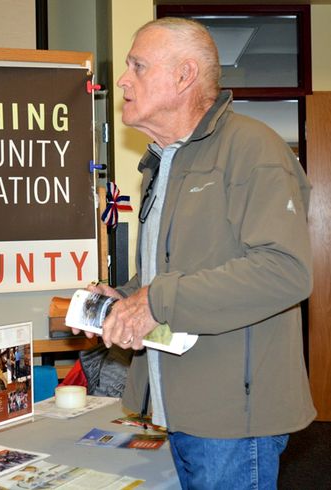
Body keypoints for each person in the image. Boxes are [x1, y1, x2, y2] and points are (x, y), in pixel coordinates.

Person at [76, 18, 315, 489]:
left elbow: (285, 271)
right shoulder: (161, 163)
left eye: (137, 66)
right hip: (175, 405)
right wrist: (125, 297)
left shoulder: (253, 150)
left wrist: (153, 301)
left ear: (185, 76)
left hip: (232, 418)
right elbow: (171, 274)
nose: (123, 80)